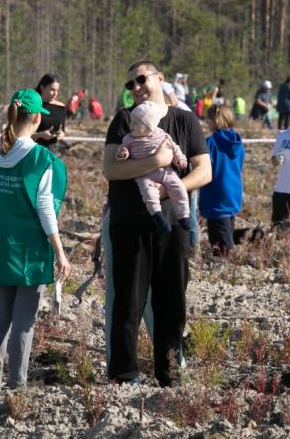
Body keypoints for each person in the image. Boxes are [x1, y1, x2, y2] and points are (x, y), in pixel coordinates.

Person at [103, 61, 211, 386]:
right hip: (129, 224)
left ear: (160, 79)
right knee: (127, 302)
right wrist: (155, 162)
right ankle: (124, 376)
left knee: (172, 301)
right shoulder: (123, 120)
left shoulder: (185, 120)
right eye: (130, 85)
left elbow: (204, 170)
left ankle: (170, 374)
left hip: (173, 225)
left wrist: (170, 187)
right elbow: (111, 169)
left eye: (141, 80)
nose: (135, 88)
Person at [0, 89, 70, 389]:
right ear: (38, 118)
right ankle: (17, 385)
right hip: (29, 251)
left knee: (1, 313)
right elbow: (45, 208)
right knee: (24, 321)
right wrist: (60, 251)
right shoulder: (41, 159)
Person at [115, 101, 190, 232]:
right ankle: (157, 216)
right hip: (144, 174)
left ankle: (183, 216)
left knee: (179, 187)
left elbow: (174, 147)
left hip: (165, 171)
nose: (130, 125)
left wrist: (180, 159)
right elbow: (120, 152)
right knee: (149, 194)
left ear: (149, 127)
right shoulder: (129, 139)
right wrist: (122, 154)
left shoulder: (162, 135)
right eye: (131, 121)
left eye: (135, 123)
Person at [199, 104, 243, 255]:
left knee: (221, 244)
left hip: (216, 194)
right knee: (227, 228)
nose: (206, 122)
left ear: (215, 121)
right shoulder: (238, 142)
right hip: (233, 191)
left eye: (207, 119)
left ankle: (227, 264)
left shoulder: (210, 143)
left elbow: (203, 168)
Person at [34, 74, 67, 151]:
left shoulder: (61, 107)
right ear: (42, 88)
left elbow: (62, 130)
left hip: (54, 152)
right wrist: (40, 135)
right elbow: (22, 135)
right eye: (52, 90)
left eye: (57, 90)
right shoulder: (33, 106)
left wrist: (61, 134)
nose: (55, 94)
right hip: (34, 150)